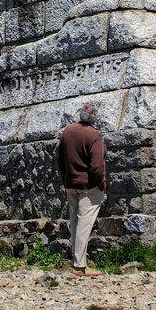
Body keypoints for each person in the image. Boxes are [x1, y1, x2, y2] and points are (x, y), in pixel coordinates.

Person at [56, 105, 106, 276]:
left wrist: (65, 181)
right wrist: (102, 184)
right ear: (94, 118)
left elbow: (60, 160)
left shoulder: (67, 132)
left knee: (75, 223)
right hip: (88, 186)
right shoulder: (94, 135)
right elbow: (97, 167)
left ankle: (79, 263)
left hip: (71, 184)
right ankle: (79, 266)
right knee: (84, 225)